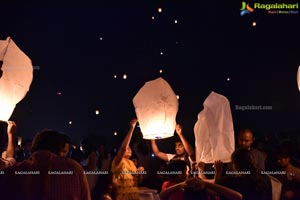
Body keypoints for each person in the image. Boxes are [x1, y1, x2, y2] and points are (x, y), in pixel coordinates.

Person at [0, 129, 91, 200]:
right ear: (58, 148)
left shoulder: (16, 171)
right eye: (63, 151)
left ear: (35, 146)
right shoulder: (74, 168)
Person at [111, 118, 144, 200]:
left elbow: (138, 182)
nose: (128, 149)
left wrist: (140, 173)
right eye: (127, 148)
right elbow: (123, 148)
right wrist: (132, 128)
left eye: (130, 147)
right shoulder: (118, 161)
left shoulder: (131, 163)